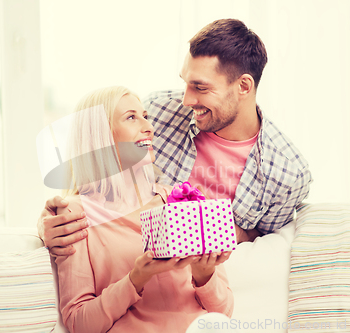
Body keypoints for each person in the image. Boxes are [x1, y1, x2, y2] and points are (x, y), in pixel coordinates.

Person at [38, 18, 312, 256]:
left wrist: (205, 230)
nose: (187, 99)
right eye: (185, 82)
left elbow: (267, 247)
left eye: (200, 87)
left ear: (243, 86)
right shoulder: (157, 112)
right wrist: (51, 223)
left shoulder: (288, 174)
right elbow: (97, 178)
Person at [54, 86, 234, 333]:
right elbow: (79, 323)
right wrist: (135, 279)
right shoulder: (75, 214)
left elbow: (224, 312)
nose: (148, 127)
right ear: (100, 137)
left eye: (145, 116)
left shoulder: (179, 198)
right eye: (131, 117)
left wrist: (204, 274)